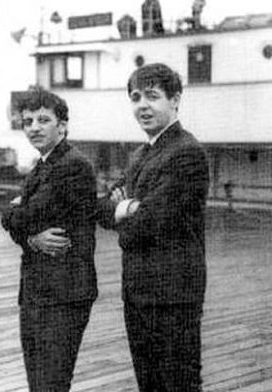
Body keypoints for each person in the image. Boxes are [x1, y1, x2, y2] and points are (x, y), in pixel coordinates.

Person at [97, 63, 209, 391]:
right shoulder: (140, 155)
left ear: (175, 100)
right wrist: (126, 208)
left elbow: (148, 224)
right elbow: (100, 208)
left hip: (174, 295)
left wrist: (127, 213)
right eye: (135, 97)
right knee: (149, 383)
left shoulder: (187, 153)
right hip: (139, 292)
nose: (142, 105)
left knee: (178, 384)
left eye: (152, 96)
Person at [1, 87, 98, 391]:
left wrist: (15, 213)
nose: (33, 128)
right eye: (28, 121)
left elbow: (24, 215)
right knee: (38, 381)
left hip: (63, 294)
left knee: (51, 383)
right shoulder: (42, 165)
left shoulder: (72, 165)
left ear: (63, 125)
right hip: (38, 292)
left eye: (43, 120)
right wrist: (30, 238)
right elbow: (19, 219)